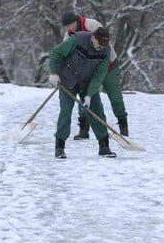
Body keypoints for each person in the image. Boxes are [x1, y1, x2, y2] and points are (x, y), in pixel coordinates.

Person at [48, 27, 117, 159]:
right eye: (99, 44)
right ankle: (59, 147)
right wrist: (53, 73)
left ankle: (104, 147)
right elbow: (56, 52)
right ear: (93, 38)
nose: (100, 48)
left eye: (104, 45)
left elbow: (99, 76)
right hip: (68, 79)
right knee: (66, 111)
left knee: (97, 111)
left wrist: (89, 95)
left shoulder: (106, 50)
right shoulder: (76, 40)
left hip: (87, 82)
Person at [60, 11, 129, 138]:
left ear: (76, 21)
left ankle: (123, 126)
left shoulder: (92, 25)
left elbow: (104, 43)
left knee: (115, 97)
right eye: (66, 26)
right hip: (88, 70)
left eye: (70, 24)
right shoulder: (69, 36)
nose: (68, 28)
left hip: (108, 66)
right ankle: (84, 129)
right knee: (85, 98)